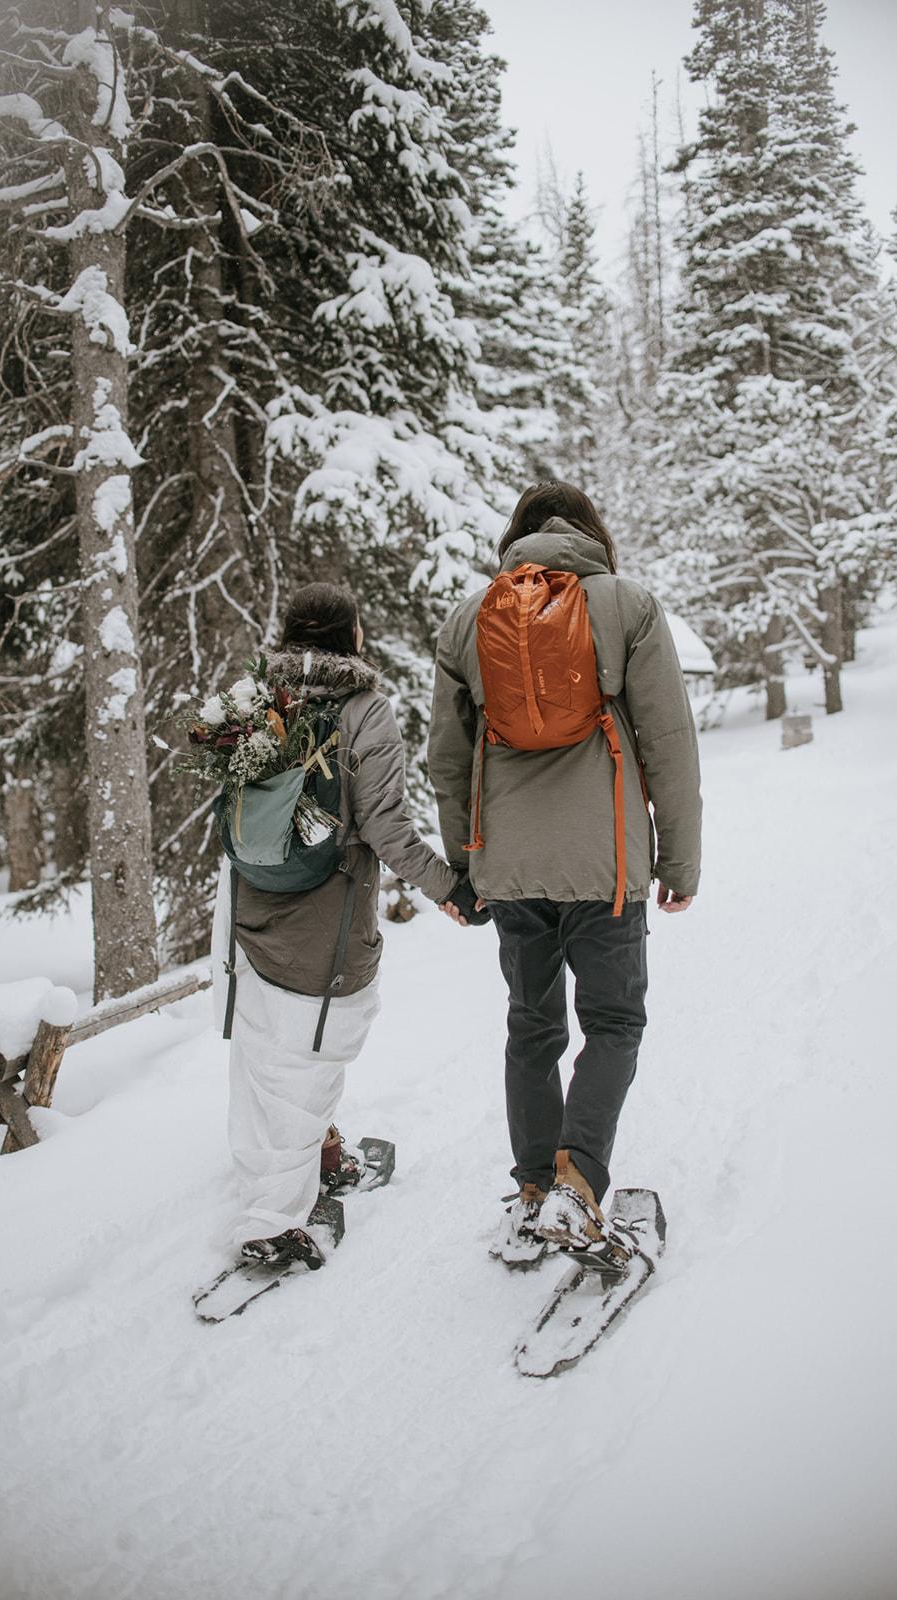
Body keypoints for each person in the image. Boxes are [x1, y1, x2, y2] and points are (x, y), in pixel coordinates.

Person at [429, 482, 702, 1269]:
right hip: (605, 864)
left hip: (510, 865)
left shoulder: (468, 618)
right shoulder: (628, 606)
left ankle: (529, 1190)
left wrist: (465, 866)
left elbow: (447, 759)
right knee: (613, 1023)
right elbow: (668, 742)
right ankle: (576, 1185)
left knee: (532, 1025)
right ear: (593, 534)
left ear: (516, 539)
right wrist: (678, 858)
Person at [211, 583, 477, 1270]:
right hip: (326, 920)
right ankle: (270, 1221)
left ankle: (302, 1164)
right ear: (349, 636)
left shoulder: (252, 696)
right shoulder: (365, 709)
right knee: (311, 1061)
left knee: (261, 1059)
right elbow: (387, 826)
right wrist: (452, 889)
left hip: (246, 911)